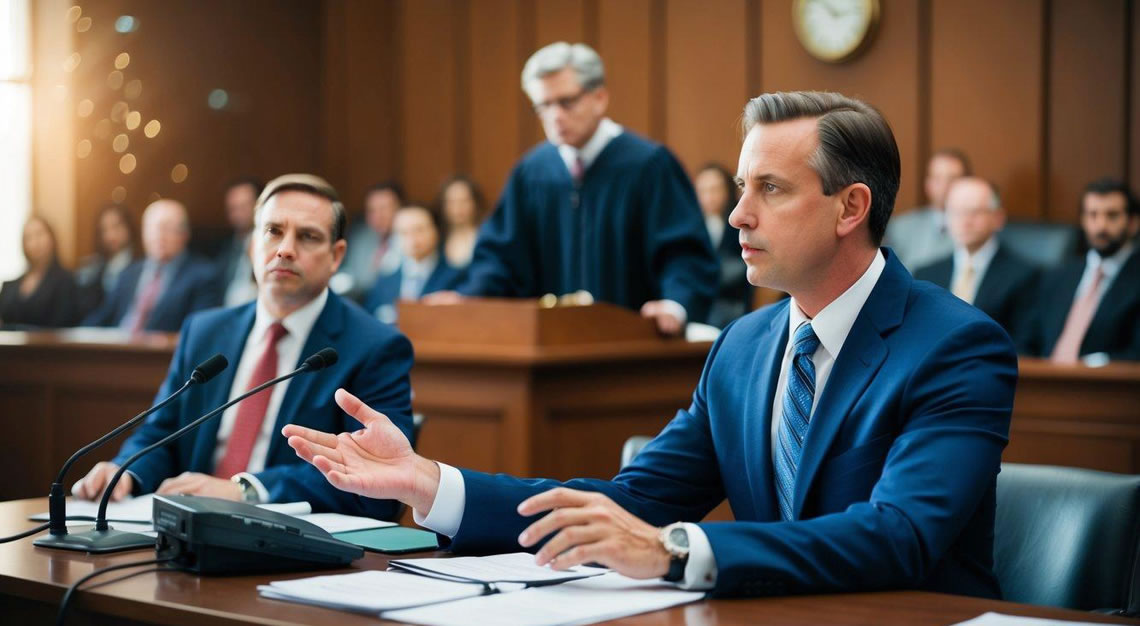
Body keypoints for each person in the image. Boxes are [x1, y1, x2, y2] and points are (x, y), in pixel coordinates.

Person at [285, 92, 1018, 598]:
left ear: (850, 208)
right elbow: (632, 499)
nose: (736, 215)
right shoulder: (742, 345)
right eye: (739, 186)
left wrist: (674, 551)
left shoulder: (956, 347)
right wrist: (428, 484)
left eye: (770, 189)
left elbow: (898, 536)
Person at [73, 174, 414, 519]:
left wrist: (246, 490)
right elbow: (162, 433)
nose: (285, 249)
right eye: (273, 232)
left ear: (336, 256)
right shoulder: (204, 331)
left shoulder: (375, 347)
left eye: (308, 236)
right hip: (189, 536)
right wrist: (125, 473)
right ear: (252, 245)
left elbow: (378, 482)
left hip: (296, 551)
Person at [428, 42, 717, 335]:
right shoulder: (531, 173)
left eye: (566, 102)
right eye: (544, 105)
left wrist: (675, 304)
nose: (555, 116)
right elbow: (501, 259)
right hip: (551, 350)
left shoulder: (649, 165)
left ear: (599, 98)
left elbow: (685, 254)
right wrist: (469, 298)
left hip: (632, 347)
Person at [1021, 178, 1140, 362]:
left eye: (1112, 215)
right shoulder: (1057, 277)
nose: (1101, 226)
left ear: (1133, 223)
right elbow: (1026, 340)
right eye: (1093, 215)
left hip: (1102, 386)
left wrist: (1091, 365)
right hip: (1043, 384)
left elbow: (1135, 354)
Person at [913, 177, 1038, 343]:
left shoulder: (1023, 276)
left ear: (998, 218)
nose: (965, 221)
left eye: (975, 212)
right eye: (956, 212)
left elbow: (1024, 345)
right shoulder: (925, 274)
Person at [82, 199, 221, 332]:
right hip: (118, 349)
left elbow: (199, 331)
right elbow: (103, 316)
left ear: (185, 233)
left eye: (166, 228)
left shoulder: (203, 276)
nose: (158, 236)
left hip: (161, 354)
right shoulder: (129, 273)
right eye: (151, 228)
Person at [364, 205, 462, 324]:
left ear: (435, 231)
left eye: (419, 230)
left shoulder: (457, 277)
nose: (412, 238)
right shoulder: (385, 280)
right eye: (403, 232)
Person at [883, 148, 970, 272]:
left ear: (968, 183)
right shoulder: (900, 228)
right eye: (937, 178)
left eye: (952, 178)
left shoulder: (980, 227)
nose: (945, 185)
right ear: (927, 185)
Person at [694, 163, 753, 328]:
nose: (709, 197)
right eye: (703, 191)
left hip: (732, 305)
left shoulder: (739, 225)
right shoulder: (691, 228)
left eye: (714, 190)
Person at [0, 216, 81, 328]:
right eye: (28, 237)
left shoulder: (66, 281)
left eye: (39, 234)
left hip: (47, 344)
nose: (35, 242)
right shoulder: (10, 286)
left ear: (52, 238)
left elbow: (61, 326)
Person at [334, 182, 404, 301]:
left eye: (384, 209)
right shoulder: (361, 237)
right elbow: (350, 271)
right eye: (372, 210)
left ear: (401, 209)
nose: (378, 216)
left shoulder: (410, 240)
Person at [75, 204, 138, 317]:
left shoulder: (141, 264)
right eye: (104, 230)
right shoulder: (98, 266)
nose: (110, 235)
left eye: (116, 226)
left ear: (128, 226)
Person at [217, 177, 264, 307]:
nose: (238, 214)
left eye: (244, 206)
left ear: (259, 206)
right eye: (233, 208)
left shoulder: (272, 246)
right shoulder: (224, 248)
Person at [436, 175, 486, 270]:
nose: (458, 208)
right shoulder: (437, 239)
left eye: (464, 201)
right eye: (451, 202)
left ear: (475, 202)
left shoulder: (487, 237)